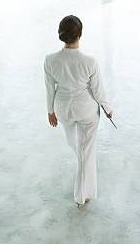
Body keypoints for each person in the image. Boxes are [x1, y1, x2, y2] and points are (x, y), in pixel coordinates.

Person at [44, 15, 113, 207]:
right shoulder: (89, 61)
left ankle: (83, 171)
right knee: (86, 151)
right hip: (86, 110)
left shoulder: (50, 60)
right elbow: (98, 91)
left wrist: (50, 111)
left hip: (63, 110)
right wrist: (107, 108)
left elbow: (50, 88)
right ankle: (82, 194)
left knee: (75, 144)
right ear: (80, 34)